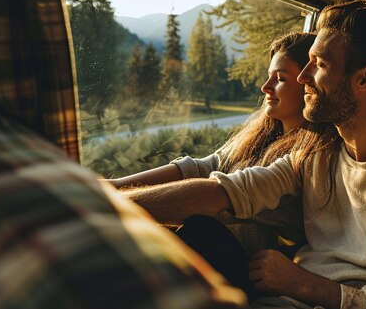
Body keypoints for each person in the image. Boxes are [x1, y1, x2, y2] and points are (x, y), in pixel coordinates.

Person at [121, 0, 366, 309]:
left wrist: (304, 284)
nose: (303, 77)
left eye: (319, 65)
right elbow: (225, 191)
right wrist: (107, 201)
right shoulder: (318, 155)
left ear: (365, 80)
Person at [109, 32, 337, 254]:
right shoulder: (260, 137)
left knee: (202, 231)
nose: (265, 87)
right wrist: (115, 185)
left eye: (280, 79)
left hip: (239, 265)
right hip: (204, 252)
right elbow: (201, 167)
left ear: (309, 86)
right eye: (269, 76)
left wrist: (111, 205)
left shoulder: (309, 158)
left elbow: (221, 193)